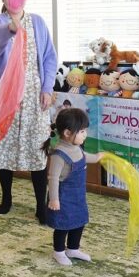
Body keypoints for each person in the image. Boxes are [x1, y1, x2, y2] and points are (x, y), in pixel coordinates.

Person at [0, 0, 58, 224]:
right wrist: (12, 27)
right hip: (5, 94)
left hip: (34, 94)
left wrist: (47, 88)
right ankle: (6, 199)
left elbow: (49, 57)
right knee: (4, 144)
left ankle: (41, 206)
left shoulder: (37, 22)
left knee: (37, 147)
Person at [44, 107, 103, 266]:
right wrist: (54, 199)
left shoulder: (76, 148)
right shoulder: (59, 154)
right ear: (67, 133)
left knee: (79, 222)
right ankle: (58, 252)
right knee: (63, 225)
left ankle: (73, 248)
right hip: (63, 197)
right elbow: (53, 178)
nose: (85, 134)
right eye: (82, 131)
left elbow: (83, 157)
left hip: (77, 196)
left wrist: (97, 157)